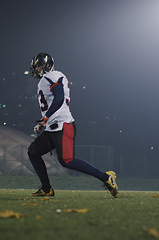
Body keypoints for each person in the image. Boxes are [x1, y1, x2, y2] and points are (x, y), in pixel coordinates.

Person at [27, 53, 118, 198]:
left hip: (63, 125)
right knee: (33, 151)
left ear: (45, 65)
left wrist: (45, 119)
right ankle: (46, 188)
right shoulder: (49, 78)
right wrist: (45, 122)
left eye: (38, 66)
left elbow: (59, 98)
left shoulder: (52, 76)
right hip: (53, 126)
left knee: (67, 160)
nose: (36, 69)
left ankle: (106, 177)